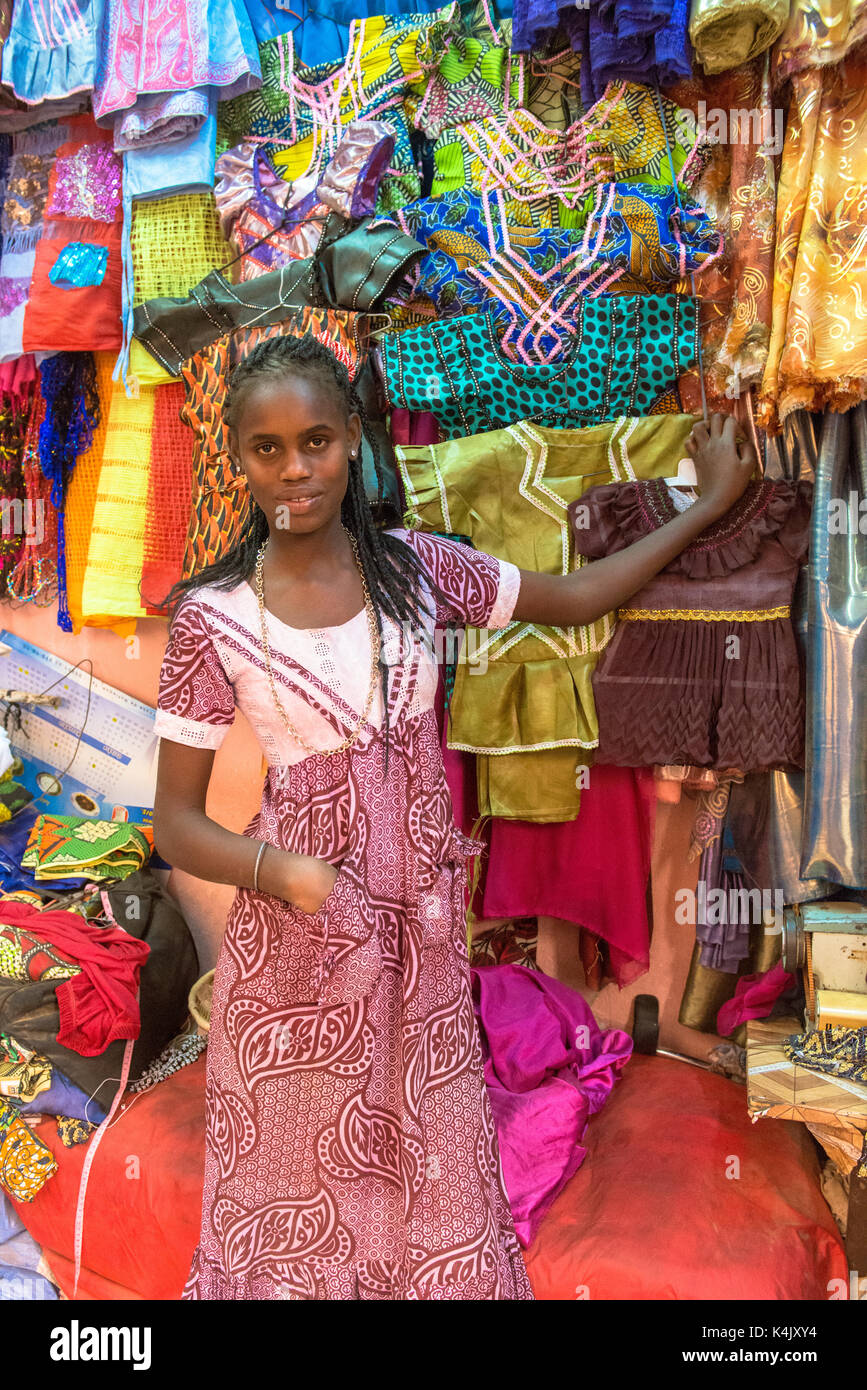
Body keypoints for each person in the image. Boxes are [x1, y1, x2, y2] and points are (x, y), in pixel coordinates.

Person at [153, 331, 757, 1301]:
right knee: (299, 1188)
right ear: (238, 456)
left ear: (352, 438)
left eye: (315, 439)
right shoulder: (212, 616)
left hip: (422, 921)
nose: (295, 468)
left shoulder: (418, 569)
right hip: (305, 937)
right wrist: (283, 874)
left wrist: (707, 507)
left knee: (428, 1161)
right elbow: (174, 823)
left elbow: (572, 597)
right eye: (267, 448)